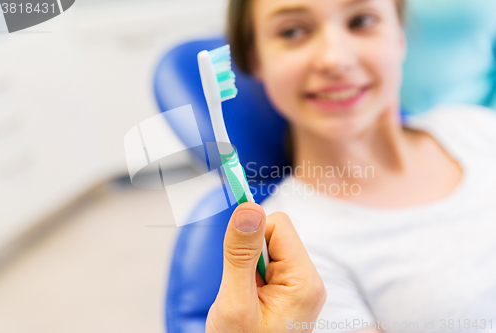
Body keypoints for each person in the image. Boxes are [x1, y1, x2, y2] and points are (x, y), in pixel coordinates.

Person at [206, 0, 496, 332]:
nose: (335, 59)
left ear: (399, 37)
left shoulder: (479, 128)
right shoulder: (290, 251)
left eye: (361, 21)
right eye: (293, 31)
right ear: (256, 58)